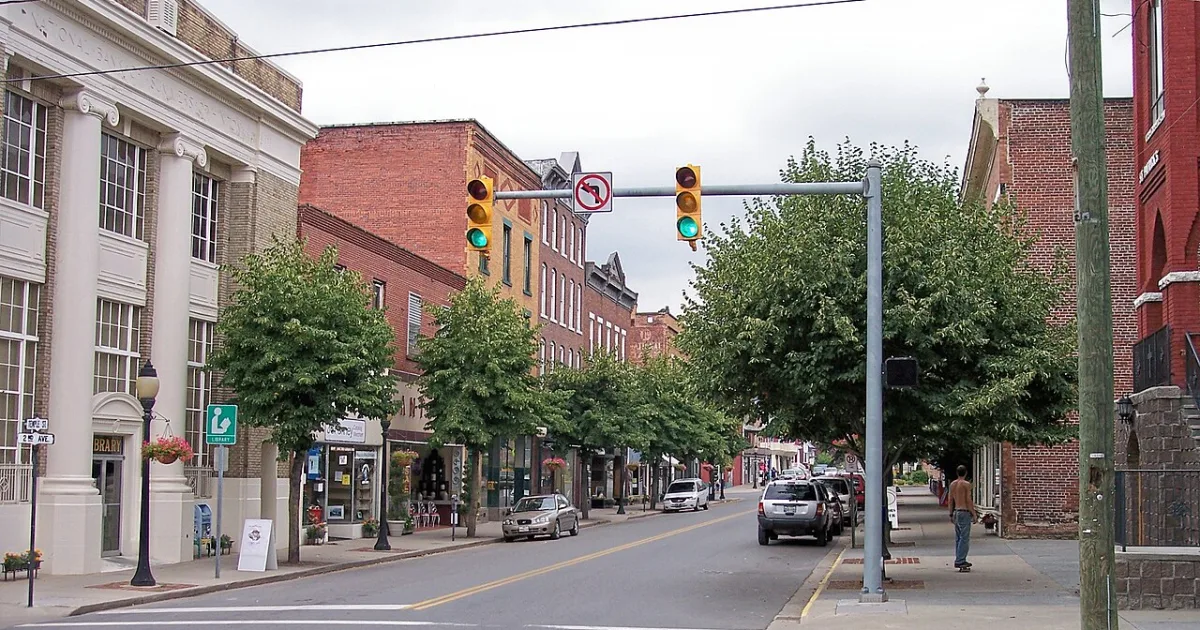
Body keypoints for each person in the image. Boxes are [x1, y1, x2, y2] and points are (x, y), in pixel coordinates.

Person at [947, 465, 977, 569]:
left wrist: (950, 513)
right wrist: (974, 513)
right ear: (966, 473)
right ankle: (960, 560)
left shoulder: (952, 484)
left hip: (956, 511)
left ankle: (959, 557)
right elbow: (968, 500)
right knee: (964, 538)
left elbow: (950, 500)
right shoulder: (966, 484)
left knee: (958, 537)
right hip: (964, 511)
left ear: (957, 473)